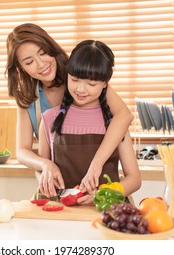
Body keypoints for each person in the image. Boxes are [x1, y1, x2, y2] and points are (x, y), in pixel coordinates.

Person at [5, 23, 134, 197]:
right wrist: (45, 166)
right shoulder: (28, 97)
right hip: (60, 195)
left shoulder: (79, 75)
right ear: (20, 68)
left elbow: (124, 116)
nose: (41, 64)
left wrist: (97, 165)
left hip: (101, 193)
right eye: (29, 62)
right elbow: (22, 151)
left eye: (43, 53)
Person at [38, 40, 141, 204]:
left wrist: (104, 194)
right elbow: (41, 168)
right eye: (75, 79)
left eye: (91, 84)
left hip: (106, 214)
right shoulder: (49, 118)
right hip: (62, 213)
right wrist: (44, 180)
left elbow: (134, 179)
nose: (80, 89)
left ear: (105, 84)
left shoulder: (115, 124)